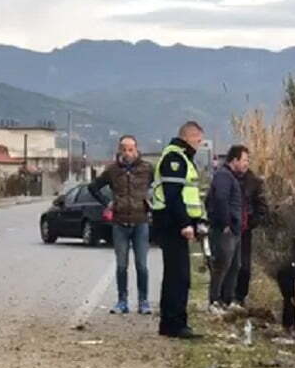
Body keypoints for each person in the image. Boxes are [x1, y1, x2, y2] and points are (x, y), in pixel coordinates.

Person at [150, 121, 207, 339]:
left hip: (176, 225)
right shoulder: (174, 159)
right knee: (178, 277)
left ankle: (171, 323)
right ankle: (174, 323)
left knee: (177, 275)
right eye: (198, 139)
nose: (200, 143)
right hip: (172, 226)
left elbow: (189, 195)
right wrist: (184, 224)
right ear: (188, 137)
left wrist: (197, 220)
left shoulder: (183, 158)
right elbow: (173, 195)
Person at [87, 135, 156, 315]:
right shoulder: (112, 170)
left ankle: (143, 301)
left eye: (130, 149)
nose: (127, 153)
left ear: (136, 149)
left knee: (142, 265)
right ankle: (122, 301)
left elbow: (159, 185)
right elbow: (93, 187)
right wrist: (107, 203)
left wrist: (152, 202)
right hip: (119, 223)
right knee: (121, 265)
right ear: (119, 150)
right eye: (124, 149)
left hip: (140, 222)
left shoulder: (147, 168)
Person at [204, 145, 249, 314]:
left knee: (234, 266)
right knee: (221, 265)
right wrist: (225, 223)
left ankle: (227, 300)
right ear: (234, 160)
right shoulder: (223, 176)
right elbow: (220, 199)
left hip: (235, 230)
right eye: (244, 160)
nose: (246, 164)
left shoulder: (232, 177)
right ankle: (215, 300)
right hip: (225, 230)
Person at [233, 165, 269, 309]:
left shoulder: (253, 182)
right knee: (228, 264)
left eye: (247, 160)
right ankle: (226, 296)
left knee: (244, 265)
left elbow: (262, 205)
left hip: (245, 229)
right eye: (243, 160)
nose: (245, 163)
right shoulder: (226, 177)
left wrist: (253, 221)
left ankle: (240, 296)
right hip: (229, 228)